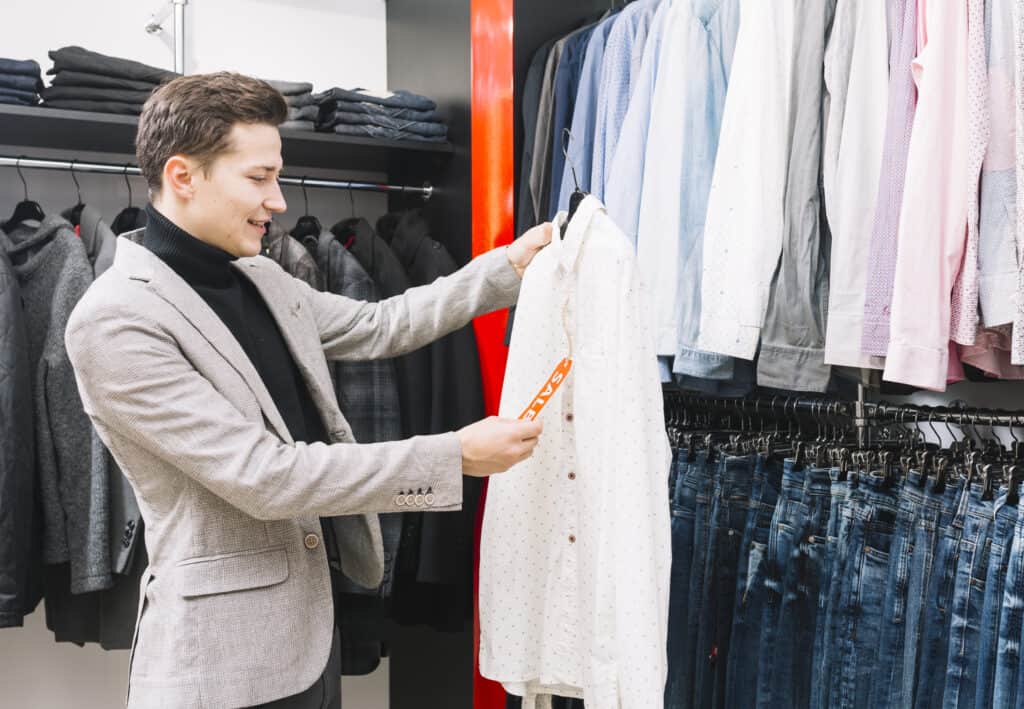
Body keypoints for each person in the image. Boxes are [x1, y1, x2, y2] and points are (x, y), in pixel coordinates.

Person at [64, 72, 552, 709]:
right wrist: (453, 456)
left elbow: (380, 323)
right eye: (259, 178)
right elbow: (265, 477)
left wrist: (506, 270)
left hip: (310, 636)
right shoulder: (115, 320)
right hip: (221, 666)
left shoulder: (261, 277)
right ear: (183, 176)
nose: (279, 202)